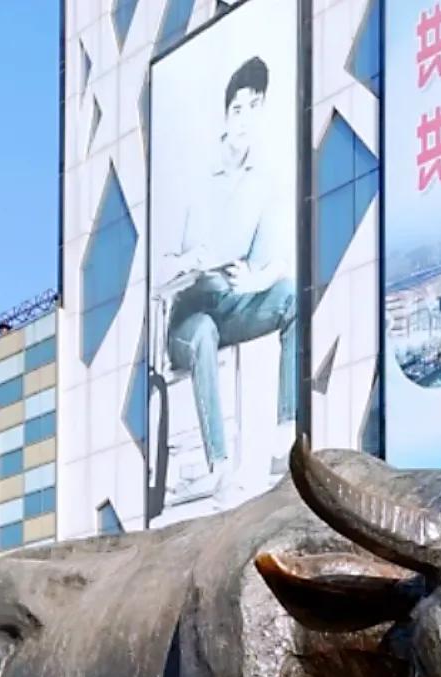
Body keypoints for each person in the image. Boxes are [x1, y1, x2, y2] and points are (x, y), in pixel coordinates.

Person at [159, 55, 297, 505]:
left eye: (254, 107)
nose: (244, 119)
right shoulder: (193, 179)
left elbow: (273, 262)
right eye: (237, 109)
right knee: (202, 332)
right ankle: (219, 463)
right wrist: (189, 262)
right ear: (225, 114)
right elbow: (157, 271)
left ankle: (286, 428)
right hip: (187, 311)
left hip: (233, 299)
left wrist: (254, 281)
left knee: (291, 295)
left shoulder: (266, 181)